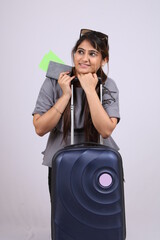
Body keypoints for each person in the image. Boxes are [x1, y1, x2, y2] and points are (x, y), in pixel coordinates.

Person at [32, 28, 120, 197]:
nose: (84, 58)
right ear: (74, 54)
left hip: (99, 161)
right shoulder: (54, 80)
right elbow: (40, 128)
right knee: (66, 214)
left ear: (104, 60)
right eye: (80, 52)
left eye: (93, 54)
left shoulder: (108, 85)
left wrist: (90, 90)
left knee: (100, 213)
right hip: (61, 159)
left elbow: (106, 130)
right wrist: (65, 95)